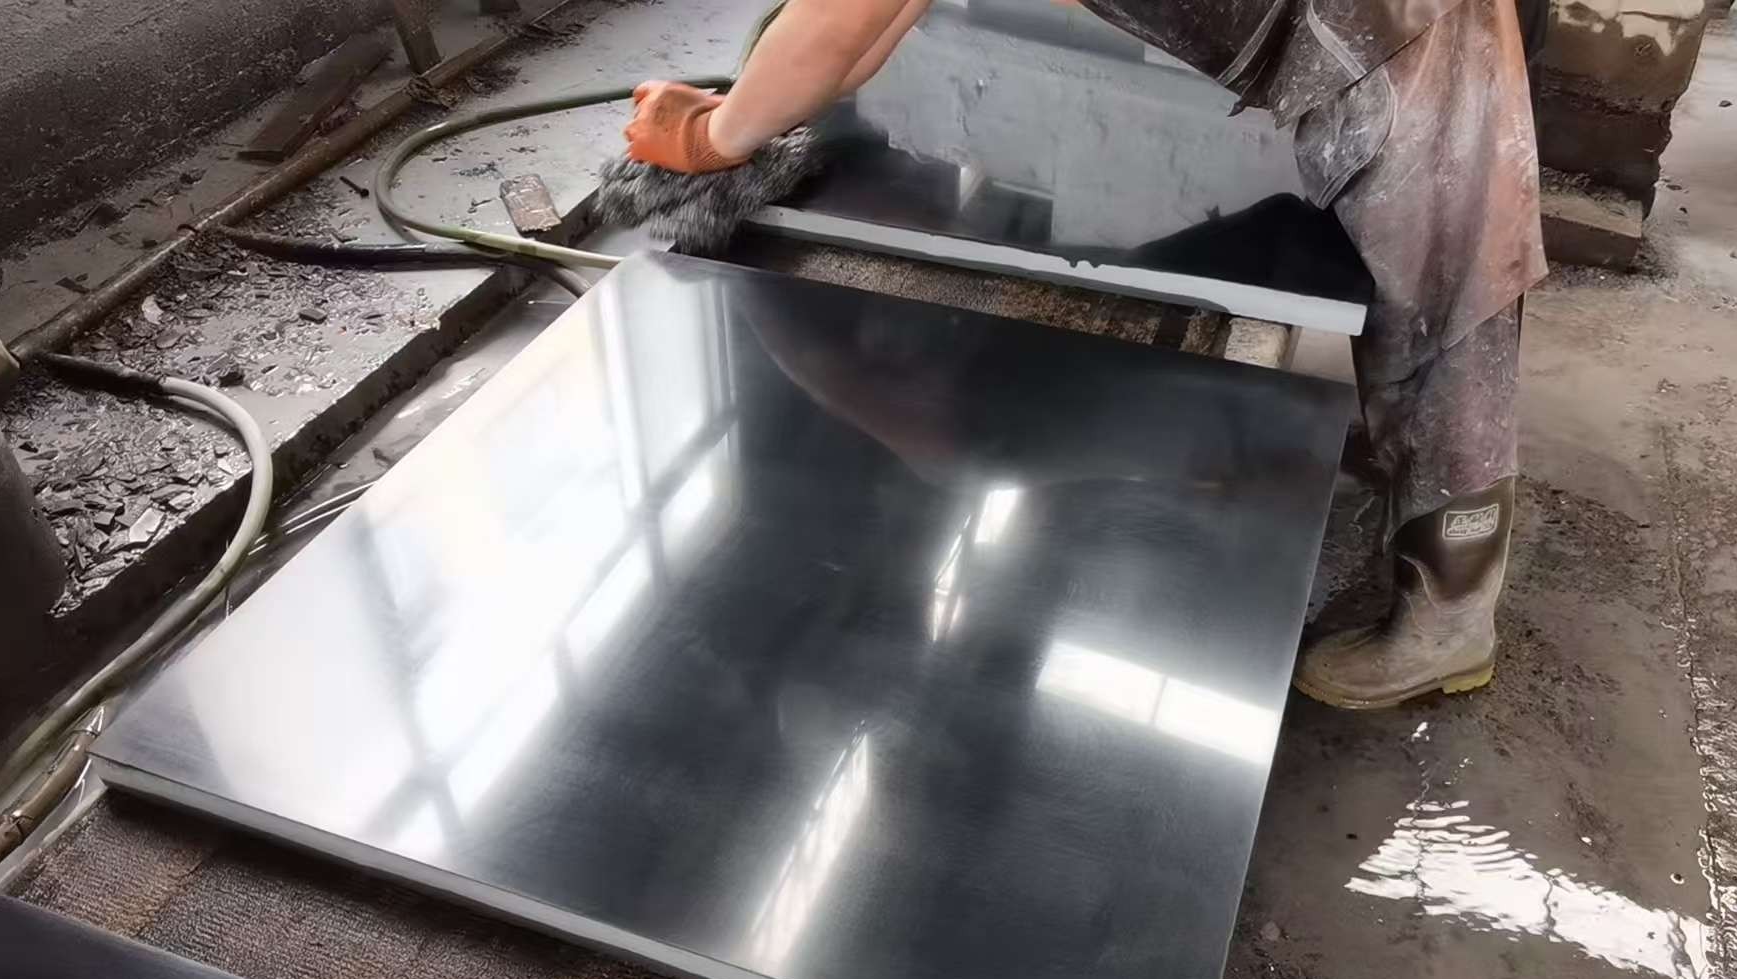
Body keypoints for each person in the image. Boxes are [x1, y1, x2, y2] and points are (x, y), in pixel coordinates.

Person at [622, 0, 1547, 710]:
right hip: (1364, 25)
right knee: (1392, 266)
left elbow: (846, 19)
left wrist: (713, 138)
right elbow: (867, 22)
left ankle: (1450, 619)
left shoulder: (961, 429)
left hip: (1407, 27)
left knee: (1442, 296)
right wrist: (752, 111)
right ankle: (1392, 464)